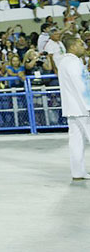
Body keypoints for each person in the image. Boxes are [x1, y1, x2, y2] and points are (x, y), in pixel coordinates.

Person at [56, 35, 90, 180]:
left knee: (76, 141)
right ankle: (78, 172)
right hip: (83, 108)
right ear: (73, 46)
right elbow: (82, 86)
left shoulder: (63, 62)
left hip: (72, 108)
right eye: (81, 44)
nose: (85, 47)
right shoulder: (74, 62)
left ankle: (78, 172)